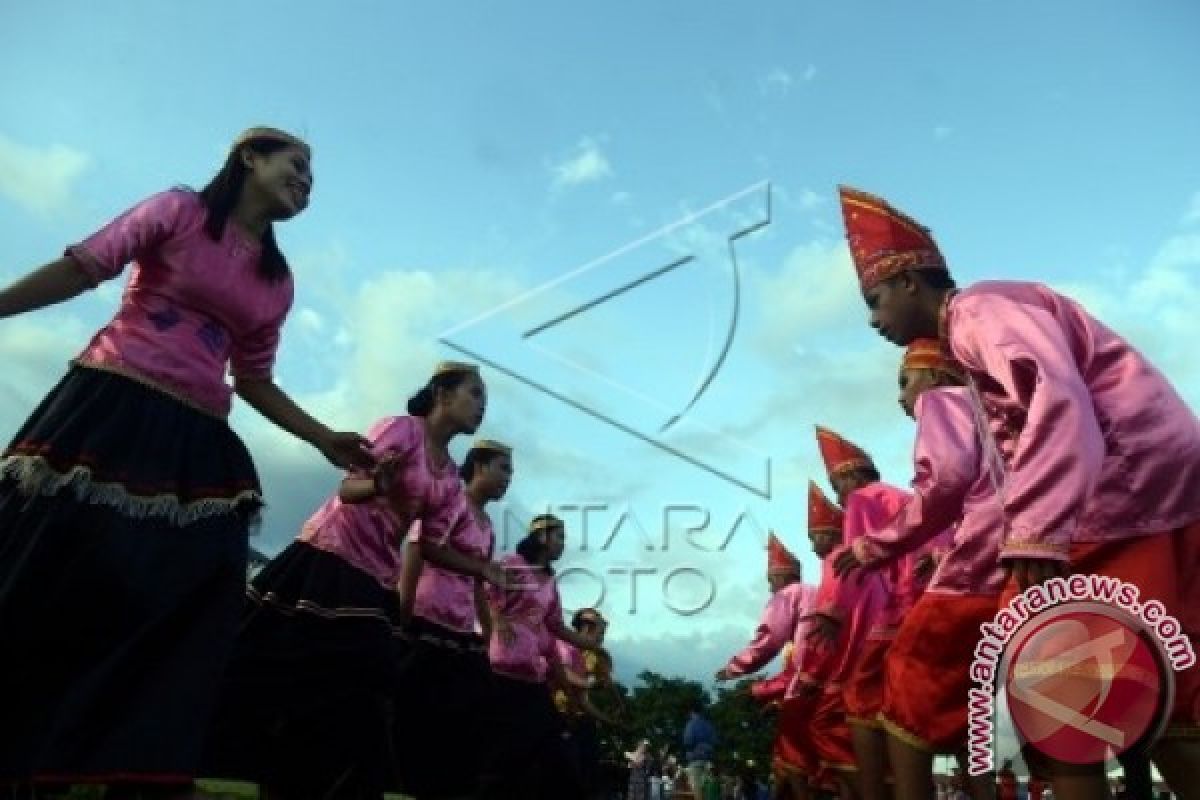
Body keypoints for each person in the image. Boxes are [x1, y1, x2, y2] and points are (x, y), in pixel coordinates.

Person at [0, 126, 372, 799]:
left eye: (314, 178)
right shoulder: (178, 209)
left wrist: (322, 437)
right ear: (248, 157)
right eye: (297, 164)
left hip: (196, 438)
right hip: (108, 406)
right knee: (49, 569)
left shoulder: (277, 280)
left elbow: (253, 378)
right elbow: (86, 264)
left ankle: (124, 765)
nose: (307, 182)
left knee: (190, 589)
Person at [839, 184, 1200, 799]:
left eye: (875, 299)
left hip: (1119, 494)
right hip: (1134, 491)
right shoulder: (973, 335)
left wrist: (1037, 528)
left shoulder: (980, 310)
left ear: (910, 282)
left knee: (1053, 685)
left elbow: (1057, 400)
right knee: (1138, 679)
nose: (875, 319)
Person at [204, 362, 484, 798]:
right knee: (279, 664)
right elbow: (347, 490)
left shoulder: (449, 477)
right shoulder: (401, 430)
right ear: (442, 395)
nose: (481, 406)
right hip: (330, 556)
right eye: (475, 393)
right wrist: (377, 482)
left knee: (358, 683)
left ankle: (307, 779)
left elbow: (429, 545)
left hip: (376, 576)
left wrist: (483, 569)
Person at [832, 338, 1003, 800]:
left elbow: (946, 482)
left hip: (961, 577)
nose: (902, 396)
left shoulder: (941, 403)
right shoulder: (990, 412)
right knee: (974, 708)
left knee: (896, 690)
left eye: (905, 381)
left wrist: (873, 547)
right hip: (1004, 566)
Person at [392, 438, 513, 798]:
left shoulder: (488, 525)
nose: (509, 478)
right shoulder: (451, 500)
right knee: (413, 711)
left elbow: (479, 584)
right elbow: (416, 550)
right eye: (503, 468)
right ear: (479, 466)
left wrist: (488, 635)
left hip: (460, 629)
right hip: (425, 618)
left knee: (470, 716)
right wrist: (403, 614)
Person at [808, 427, 910, 800]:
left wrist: (831, 611)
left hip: (893, 612)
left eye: (837, 485)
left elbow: (853, 561)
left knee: (860, 705)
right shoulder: (906, 497)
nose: (839, 497)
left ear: (851, 476)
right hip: (928, 605)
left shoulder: (862, 501)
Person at [477, 514, 600, 799]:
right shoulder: (512, 564)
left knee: (556, 752)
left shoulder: (549, 582)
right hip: (501, 672)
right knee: (502, 758)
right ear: (543, 537)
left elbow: (555, 625)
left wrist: (591, 645)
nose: (563, 544)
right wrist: (497, 619)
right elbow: (483, 592)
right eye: (560, 537)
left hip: (533, 677)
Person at [715, 533, 817, 799]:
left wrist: (734, 668)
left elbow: (770, 638)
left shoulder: (788, 595)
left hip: (803, 688)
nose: (770, 587)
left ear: (782, 577)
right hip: (827, 684)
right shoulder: (816, 592)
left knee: (791, 760)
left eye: (771, 579)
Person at [682, 704, 719, 800]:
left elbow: (687, 741)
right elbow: (715, 741)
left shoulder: (691, 724)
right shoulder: (709, 724)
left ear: (691, 712)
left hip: (696, 760)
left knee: (697, 789)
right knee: (708, 789)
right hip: (709, 760)